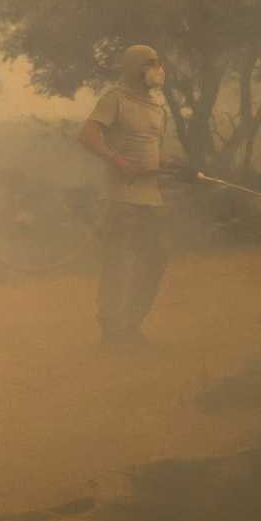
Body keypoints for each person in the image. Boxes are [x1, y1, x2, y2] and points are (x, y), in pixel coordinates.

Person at [78, 44, 170, 348]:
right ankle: (111, 331)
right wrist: (117, 161)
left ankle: (131, 326)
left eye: (158, 62)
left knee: (154, 261)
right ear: (133, 68)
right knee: (118, 264)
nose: (157, 68)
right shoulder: (115, 99)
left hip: (151, 199)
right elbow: (88, 136)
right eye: (150, 62)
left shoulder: (158, 105)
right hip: (120, 199)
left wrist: (171, 167)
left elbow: (154, 149)